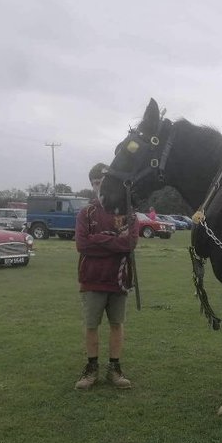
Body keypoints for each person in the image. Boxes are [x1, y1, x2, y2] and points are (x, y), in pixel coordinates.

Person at [74, 163, 140, 389]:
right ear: (91, 185)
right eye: (95, 183)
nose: (98, 186)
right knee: (91, 325)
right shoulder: (86, 213)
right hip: (92, 278)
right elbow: (82, 244)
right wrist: (114, 239)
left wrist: (99, 238)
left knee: (116, 324)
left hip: (119, 279)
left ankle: (115, 369)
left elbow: (130, 243)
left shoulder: (127, 211)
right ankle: (91, 369)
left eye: (102, 182)